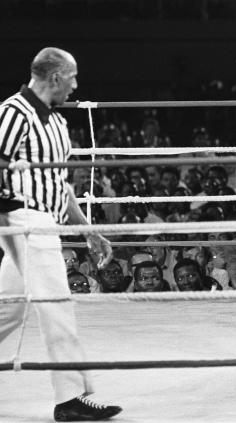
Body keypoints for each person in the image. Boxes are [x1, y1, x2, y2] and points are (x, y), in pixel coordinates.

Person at [0, 47, 122, 420]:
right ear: (55, 77)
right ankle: (69, 400)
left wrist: (87, 230)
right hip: (23, 220)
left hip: (44, 221)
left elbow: (59, 184)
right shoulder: (13, 113)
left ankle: (70, 398)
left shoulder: (56, 123)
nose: (76, 85)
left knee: (8, 310)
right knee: (57, 307)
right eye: (72, 77)